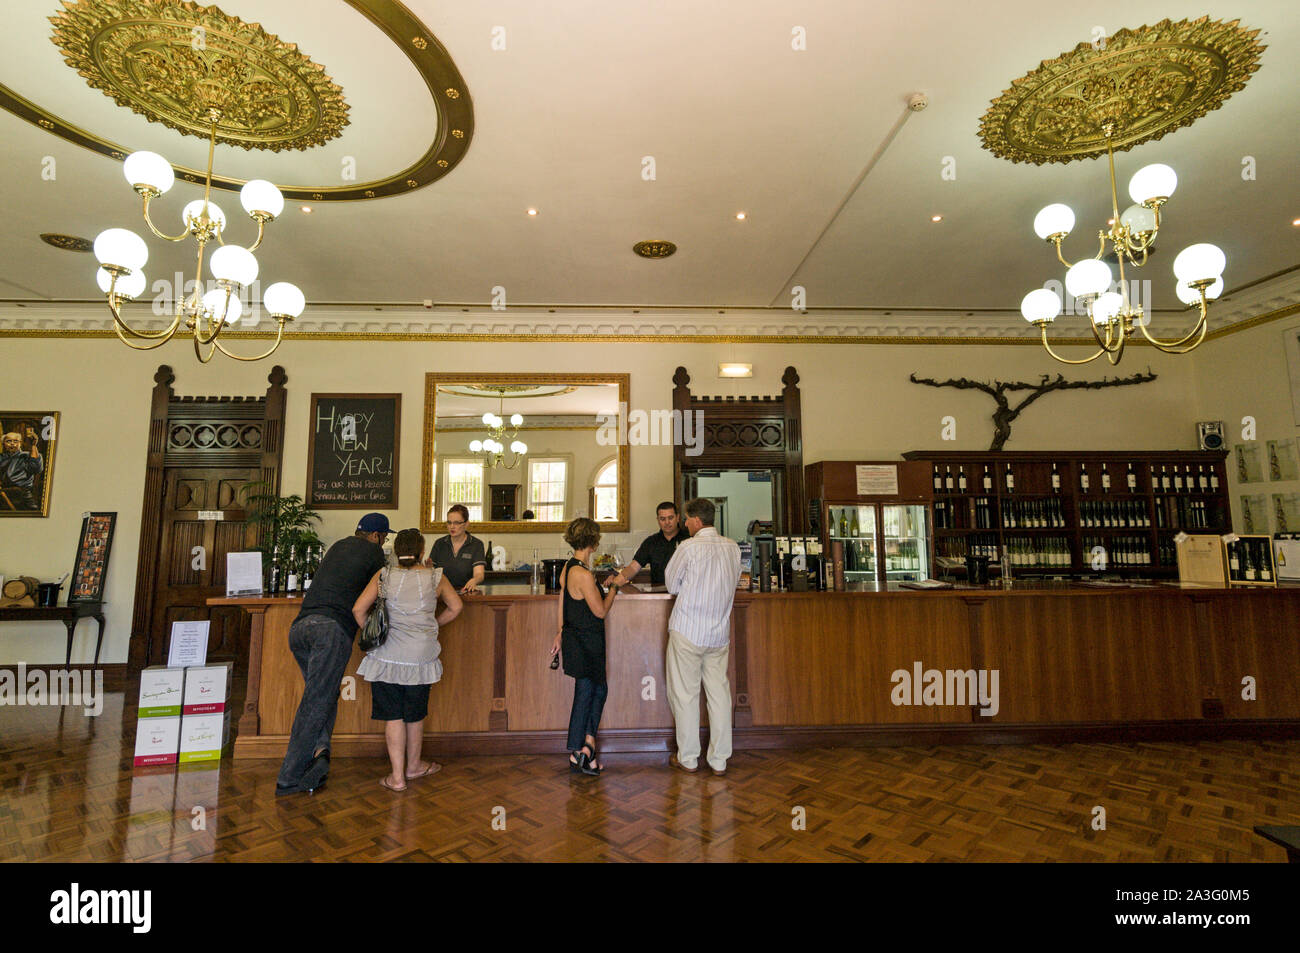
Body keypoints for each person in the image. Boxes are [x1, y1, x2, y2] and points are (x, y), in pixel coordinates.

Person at [275, 512, 393, 796]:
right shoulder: (375, 554)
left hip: (300, 629)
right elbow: (381, 592)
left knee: (323, 695)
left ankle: (320, 754)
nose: (384, 542)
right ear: (377, 536)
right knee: (316, 701)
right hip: (331, 630)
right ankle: (289, 779)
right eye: (385, 537)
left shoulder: (338, 545)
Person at [353, 529, 463, 792]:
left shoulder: (384, 575)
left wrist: (374, 631)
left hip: (387, 655)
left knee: (393, 716)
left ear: (395, 551)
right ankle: (413, 767)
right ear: (422, 552)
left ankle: (397, 778)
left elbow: (358, 609)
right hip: (421, 656)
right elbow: (457, 606)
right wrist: (434, 624)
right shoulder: (436, 576)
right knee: (415, 714)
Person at [663, 498, 742, 777]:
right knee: (719, 694)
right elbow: (735, 582)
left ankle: (689, 758)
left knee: (685, 694)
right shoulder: (733, 548)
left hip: (688, 630)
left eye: (686, 519)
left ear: (696, 520)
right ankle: (719, 760)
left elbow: (672, 584)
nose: (684, 523)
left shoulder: (688, 547)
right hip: (718, 632)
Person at [549, 517, 621, 776]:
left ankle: (587, 750)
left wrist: (559, 632)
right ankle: (578, 749)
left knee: (592, 690)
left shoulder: (569, 568)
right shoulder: (583, 574)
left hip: (574, 638)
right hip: (588, 641)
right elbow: (600, 612)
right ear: (593, 542)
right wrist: (614, 586)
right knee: (592, 692)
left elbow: (562, 601)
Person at [608, 501, 686, 588]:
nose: (667, 522)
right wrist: (616, 582)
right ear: (658, 520)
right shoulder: (651, 542)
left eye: (670, 518)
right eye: (662, 519)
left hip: (684, 594)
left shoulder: (689, 539)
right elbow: (633, 568)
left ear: (678, 517)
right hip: (659, 595)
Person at [428, 504, 487, 593]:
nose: (452, 526)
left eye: (456, 523)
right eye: (449, 522)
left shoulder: (476, 544)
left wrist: (474, 580)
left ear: (466, 524)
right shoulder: (439, 544)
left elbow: (479, 574)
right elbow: (432, 572)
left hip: (466, 592)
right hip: (441, 593)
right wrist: (428, 569)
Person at [0, 426, 44, 511]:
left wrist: (34, 445)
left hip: (22, 494)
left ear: (20, 443)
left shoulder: (26, 456)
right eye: (8, 441)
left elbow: (36, 468)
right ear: (3, 444)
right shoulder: (2, 457)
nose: (12, 444)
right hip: (3, 494)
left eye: (15, 441)